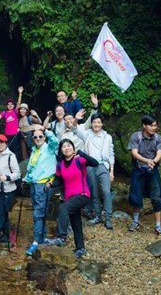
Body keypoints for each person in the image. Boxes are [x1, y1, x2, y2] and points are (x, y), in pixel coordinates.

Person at [45, 139, 98, 258]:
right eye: (64, 147)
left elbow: (95, 163)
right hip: (70, 197)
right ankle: (80, 248)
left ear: (73, 149)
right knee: (75, 222)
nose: (66, 148)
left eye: (69, 146)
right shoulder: (60, 165)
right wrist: (51, 183)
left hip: (83, 194)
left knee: (63, 208)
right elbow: (59, 180)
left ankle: (61, 237)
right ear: (61, 150)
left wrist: (82, 153)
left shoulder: (79, 160)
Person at [74, 102, 115, 230]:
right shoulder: (86, 134)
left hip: (103, 166)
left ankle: (108, 217)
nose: (96, 124)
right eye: (94, 122)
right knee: (94, 193)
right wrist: (76, 119)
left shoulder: (107, 137)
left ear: (102, 124)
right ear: (91, 124)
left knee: (107, 192)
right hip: (90, 166)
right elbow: (74, 129)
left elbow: (111, 153)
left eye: (98, 122)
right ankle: (97, 215)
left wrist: (112, 171)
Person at [127, 114, 161, 236]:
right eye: (151, 125)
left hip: (152, 169)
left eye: (155, 125)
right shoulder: (136, 136)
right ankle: (135, 221)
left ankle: (158, 225)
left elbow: (159, 153)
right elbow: (134, 153)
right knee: (136, 196)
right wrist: (146, 161)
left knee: (156, 197)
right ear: (144, 126)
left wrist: (153, 162)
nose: (154, 128)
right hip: (139, 169)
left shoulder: (158, 138)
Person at [23, 125, 58, 256]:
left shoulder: (49, 148)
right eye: (35, 137)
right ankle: (42, 238)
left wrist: (45, 130)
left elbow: (55, 141)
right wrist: (25, 180)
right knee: (39, 211)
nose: (38, 138)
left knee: (38, 213)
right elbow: (31, 168)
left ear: (44, 137)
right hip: (34, 184)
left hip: (43, 185)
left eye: (40, 136)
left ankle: (36, 241)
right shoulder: (34, 150)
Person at [0, 86, 23, 157]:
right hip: (7, 133)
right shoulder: (4, 113)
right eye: (9, 104)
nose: (10, 105)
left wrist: (20, 93)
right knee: (8, 148)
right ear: (7, 106)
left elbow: (19, 104)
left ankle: (16, 162)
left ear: (13, 106)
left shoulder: (15, 112)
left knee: (15, 148)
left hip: (15, 133)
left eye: (12, 104)